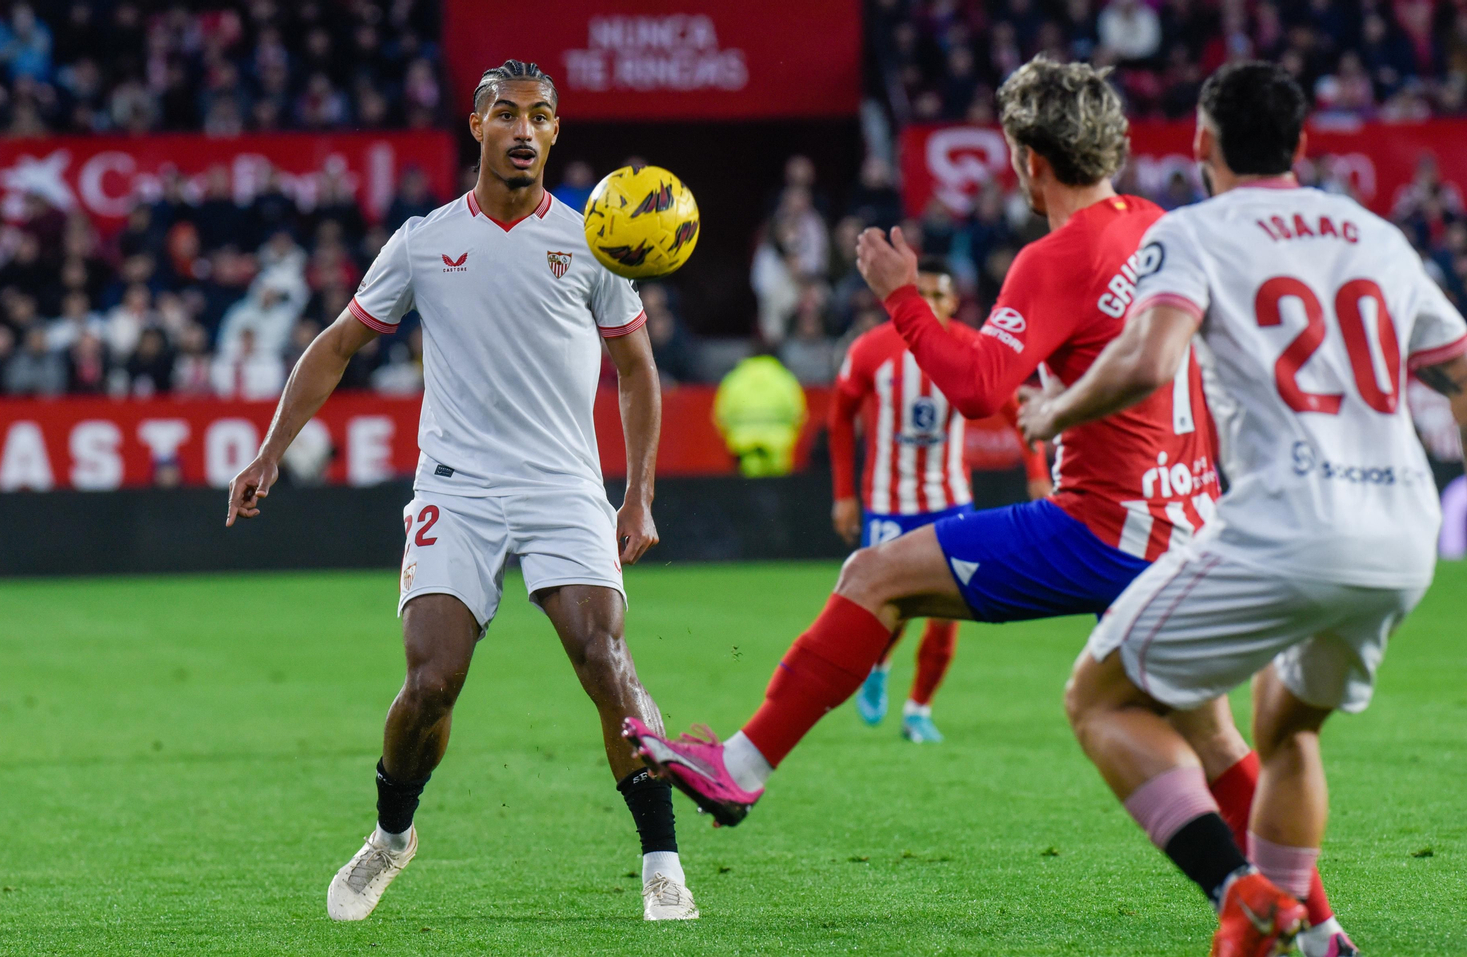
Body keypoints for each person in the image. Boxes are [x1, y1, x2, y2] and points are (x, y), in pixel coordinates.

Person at [624, 57, 1350, 957]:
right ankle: (1322, 934)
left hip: (1101, 526)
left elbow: (980, 386)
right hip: (1188, 522)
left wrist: (899, 294)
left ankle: (739, 767)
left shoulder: (1056, 257)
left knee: (874, 573)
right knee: (1207, 731)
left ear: (1028, 161)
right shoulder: (1159, 228)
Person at [225, 60, 696, 923]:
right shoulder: (423, 240)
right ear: (477, 125)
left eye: (542, 117)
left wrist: (639, 493)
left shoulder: (596, 238)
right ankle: (392, 836)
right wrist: (269, 451)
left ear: (556, 133)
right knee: (432, 680)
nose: (525, 130)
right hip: (459, 485)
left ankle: (662, 861)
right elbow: (336, 346)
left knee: (606, 659)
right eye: (508, 114)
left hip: (563, 484)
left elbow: (637, 369)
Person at [1017, 61, 1467, 957]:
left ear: (1200, 146)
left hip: (1287, 523)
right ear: (1302, 145)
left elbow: (1147, 361)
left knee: (1100, 699)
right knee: (1287, 724)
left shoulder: (1194, 232)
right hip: (1402, 535)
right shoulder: (1377, 235)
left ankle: (1248, 894)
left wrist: (1053, 411)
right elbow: (1458, 369)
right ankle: (1315, 939)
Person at [830, 255, 1040, 742]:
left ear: (953, 301)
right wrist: (843, 495)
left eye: (938, 295)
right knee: (889, 607)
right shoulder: (868, 351)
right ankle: (879, 667)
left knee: (948, 612)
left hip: (950, 501)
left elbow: (1016, 410)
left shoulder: (972, 349)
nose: (927, 304)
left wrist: (1036, 472)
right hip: (887, 502)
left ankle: (919, 710)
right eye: (917, 293)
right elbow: (839, 419)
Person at [713, 350, 808, 476]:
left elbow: (720, 417)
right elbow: (799, 415)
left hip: (743, 446)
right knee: (779, 491)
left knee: (747, 490)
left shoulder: (734, 379)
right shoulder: (785, 378)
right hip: (778, 446)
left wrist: (731, 439)